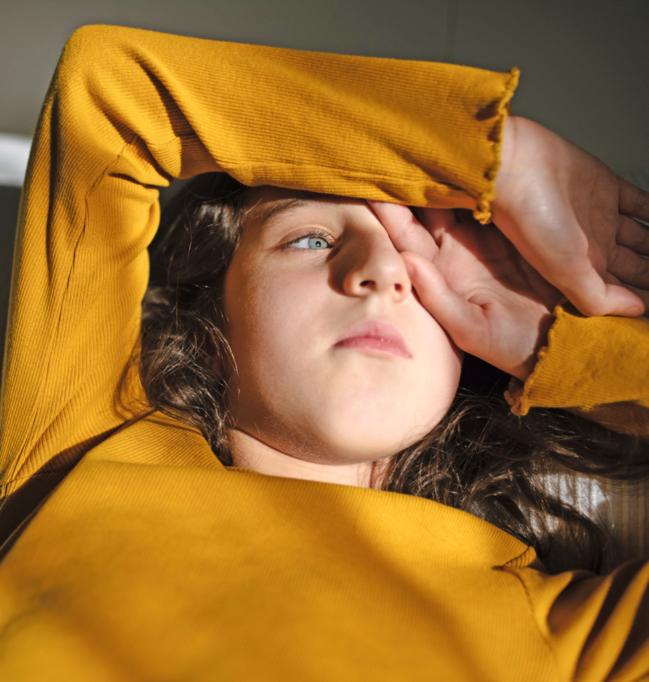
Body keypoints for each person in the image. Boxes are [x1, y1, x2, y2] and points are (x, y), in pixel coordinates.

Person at [0, 22, 647, 681]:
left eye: (424, 263)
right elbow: (111, 89)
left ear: (464, 357)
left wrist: (561, 351)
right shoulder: (79, 445)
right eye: (310, 240)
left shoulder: (557, 630)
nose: (382, 273)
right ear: (210, 317)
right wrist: (491, 157)